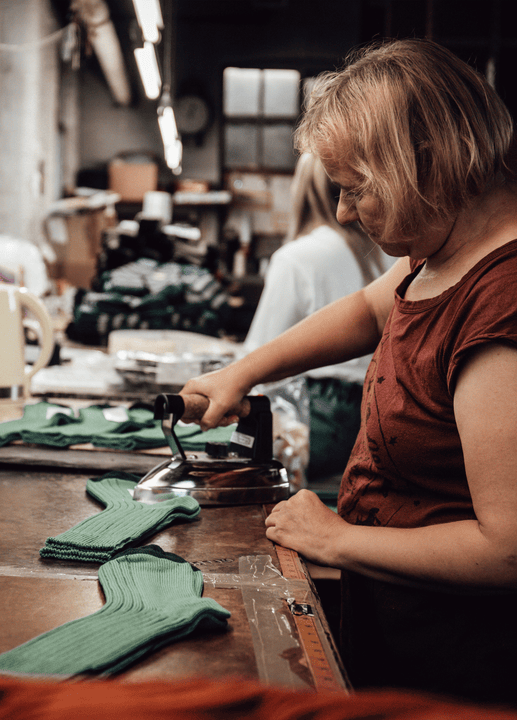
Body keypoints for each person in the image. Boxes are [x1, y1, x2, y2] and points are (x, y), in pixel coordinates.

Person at [180, 38, 517, 706]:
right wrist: (241, 372)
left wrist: (339, 538)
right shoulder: (440, 252)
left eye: (357, 190)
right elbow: (370, 310)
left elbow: (506, 547)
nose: (342, 214)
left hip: (461, 669)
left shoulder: (500, 301)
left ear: (426, 164)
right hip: (402, 629)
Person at [243, 152, 390, 479]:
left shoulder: (296, 258)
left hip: (322, 413)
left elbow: (257, 353)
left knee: (230, 450)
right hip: (380, 409)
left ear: (304, 189)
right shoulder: (389, 253)